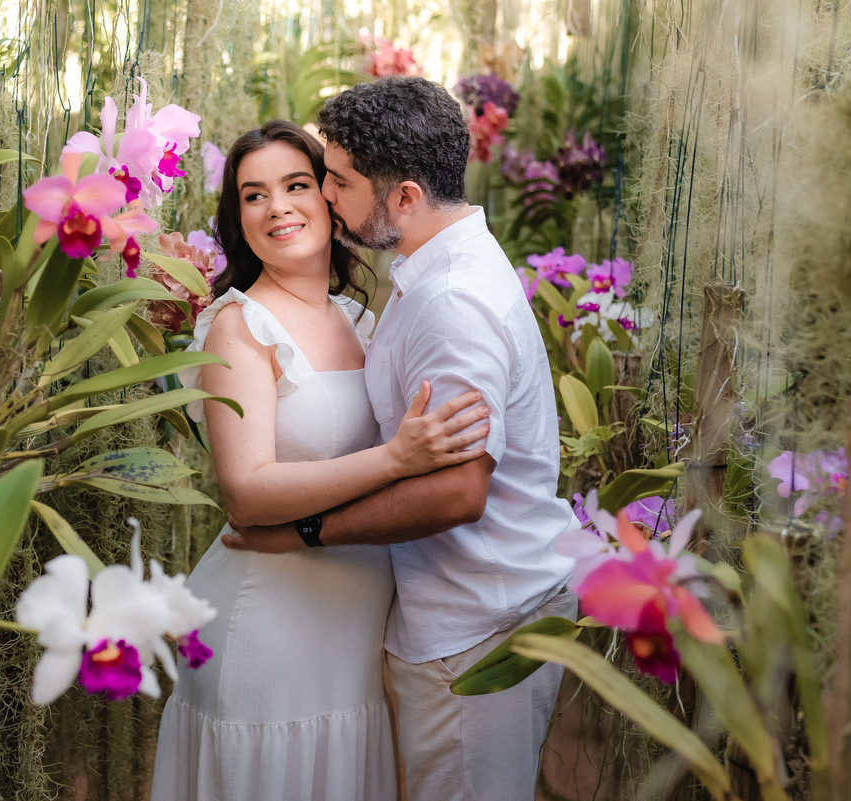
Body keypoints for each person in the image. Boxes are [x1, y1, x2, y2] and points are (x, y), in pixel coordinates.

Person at [223, 76, 579, 801]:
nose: (323, 196)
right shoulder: (427, 277)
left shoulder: (452, 302)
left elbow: (457, 487)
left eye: (339, 182)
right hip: (426, 616)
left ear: (407, 198)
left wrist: (310, 530)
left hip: (475, 621)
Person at [148, 120, 490, 801]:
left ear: (332, 199)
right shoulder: (239, 325)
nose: (277, 206)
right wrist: (395, 459)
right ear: (237, 219)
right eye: (254, 195)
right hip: (267, 633)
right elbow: (248, 491)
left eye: (296, 185)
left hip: (352, 647)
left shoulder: (366, 322)